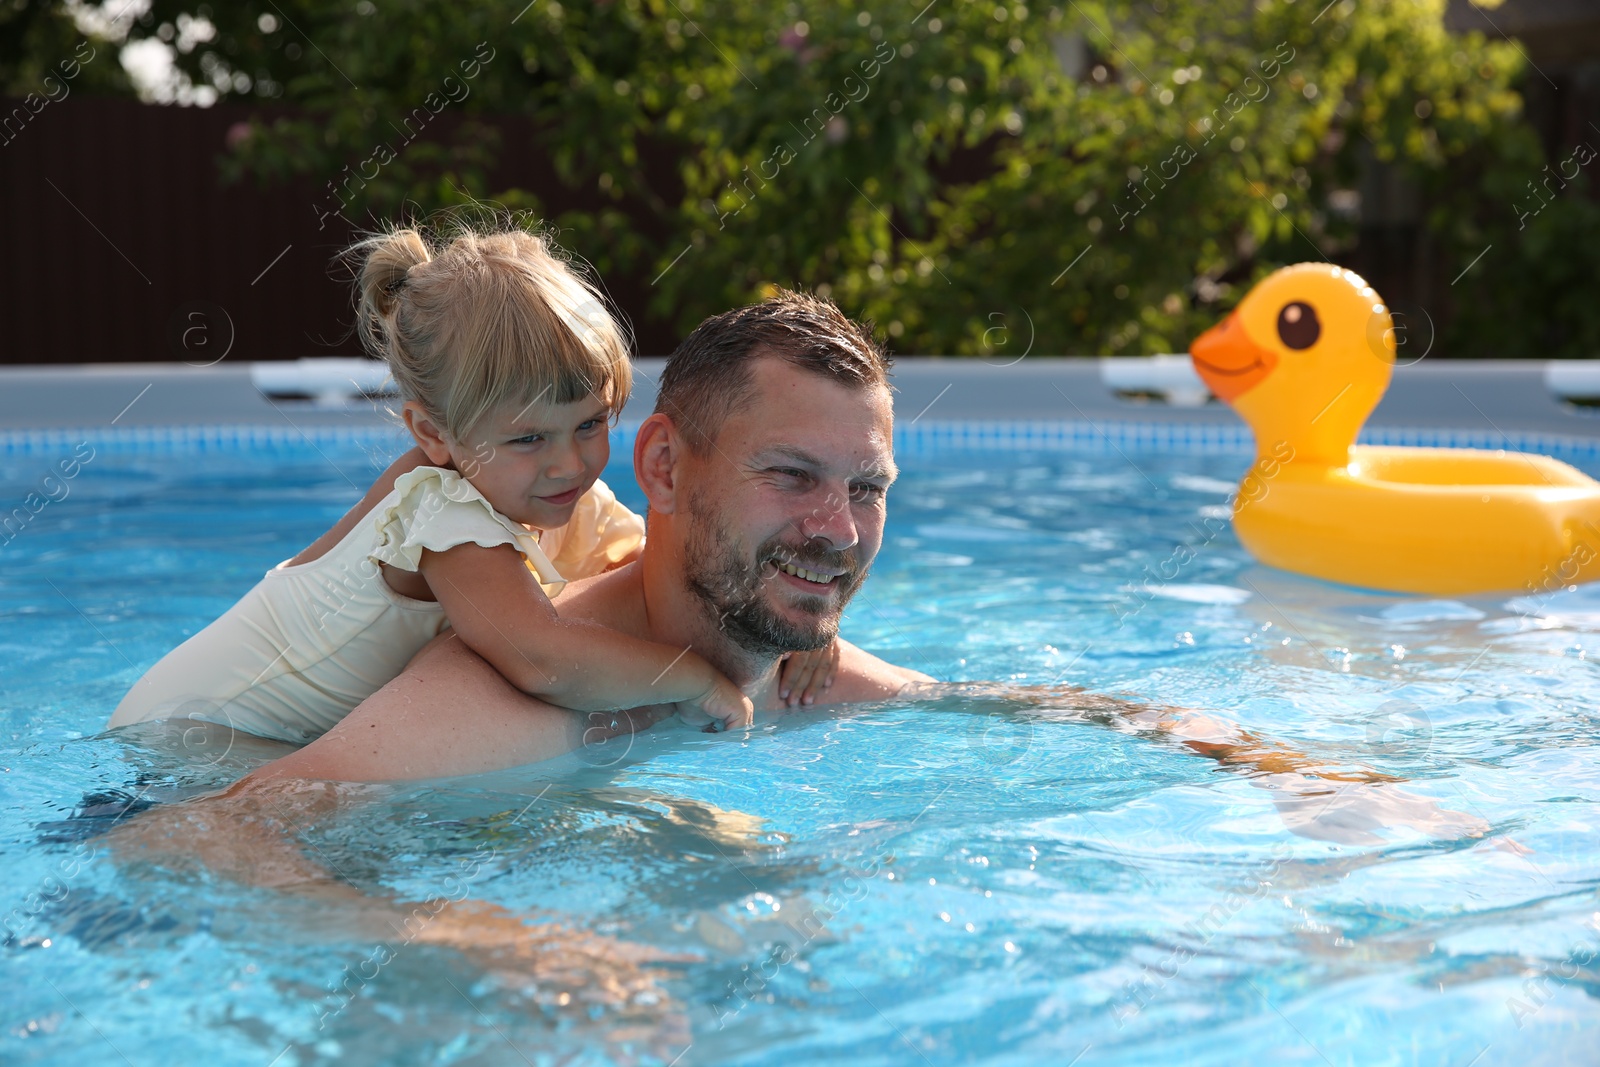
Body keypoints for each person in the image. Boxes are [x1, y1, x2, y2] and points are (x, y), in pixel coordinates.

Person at [107, 221, 844, 748]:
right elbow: (541, 656)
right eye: (528, 438)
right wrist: (691, 679)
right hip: (194, 735)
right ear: (434, 434)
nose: (568, 463)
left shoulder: (552, 491)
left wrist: (802, 623)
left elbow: (665, 574)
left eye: (589, 424)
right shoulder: (441, 507)